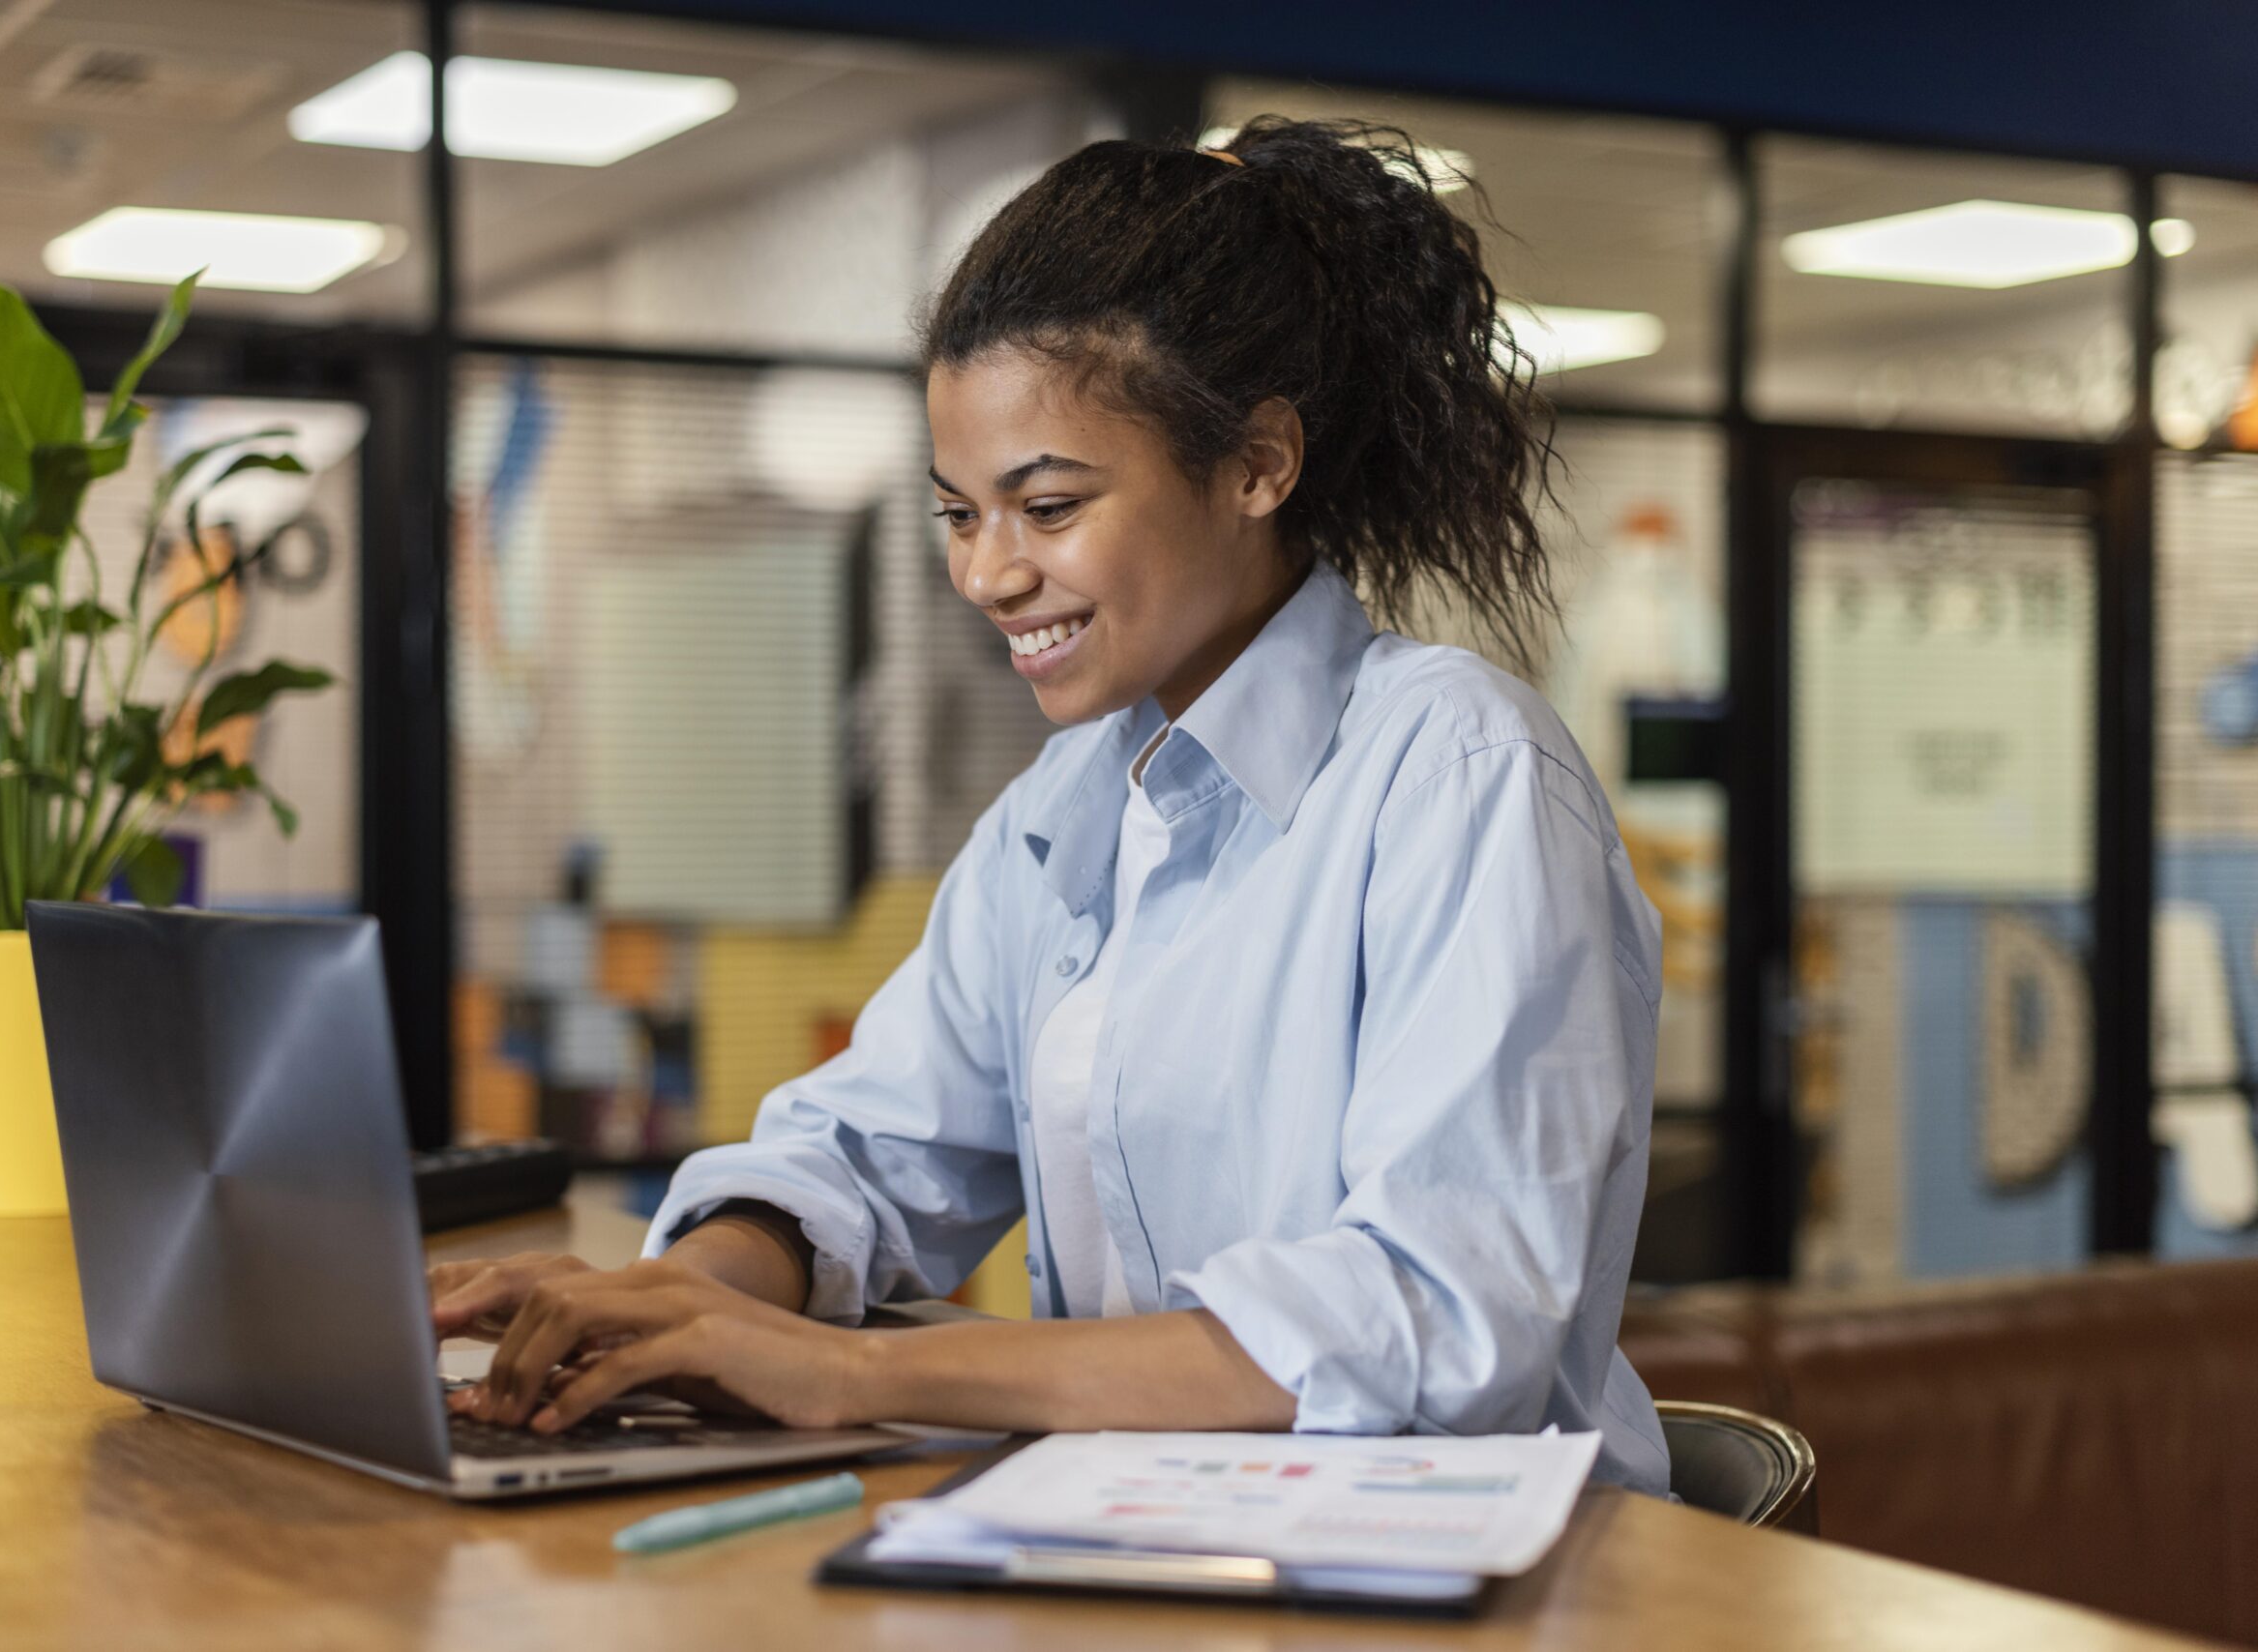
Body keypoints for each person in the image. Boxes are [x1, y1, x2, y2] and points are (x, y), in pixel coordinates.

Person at [431, 116, 1672, 1493]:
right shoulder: (1068, 807)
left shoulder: (1460, 777)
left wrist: (855, 1373)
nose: (989, 575)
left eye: (1049, 505)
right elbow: (866, 1146)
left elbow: (1433, 1322)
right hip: (1153, 1537)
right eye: (960, 513)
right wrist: (701, 1297)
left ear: (1260, 463)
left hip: (1484, 1589)